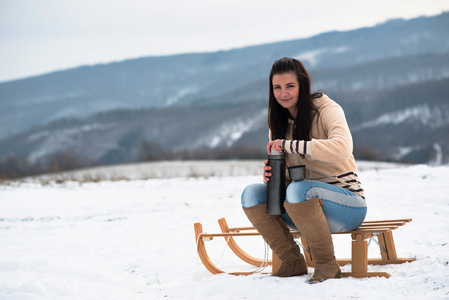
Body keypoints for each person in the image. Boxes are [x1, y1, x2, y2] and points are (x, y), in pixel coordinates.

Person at [241, 57, 367, 283]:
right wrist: (274, 176)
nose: (283, 93)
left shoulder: (327, 109)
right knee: (251, 194)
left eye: (290, 86)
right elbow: (292, 181)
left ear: (302, 85)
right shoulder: (278, 122)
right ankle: (292, 262)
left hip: (347, 206)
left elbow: (343, 148)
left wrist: (290, 145)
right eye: (277, 88)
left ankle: (327, 265)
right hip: (304, 210)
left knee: (299, 191)